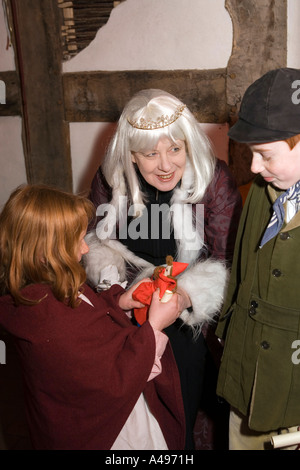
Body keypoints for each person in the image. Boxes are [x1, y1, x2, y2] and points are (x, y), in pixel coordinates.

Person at [84, 88, 243, 449]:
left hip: (186, 318)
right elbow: (93, 240)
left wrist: (186, 294)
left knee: (176, 416)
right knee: (126, 420)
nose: (166, 165)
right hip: (123, 309)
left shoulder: (214, 179)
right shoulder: (110, 178)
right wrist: (116, 290)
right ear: (130, 155)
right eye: (150, 154)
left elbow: (225, 261)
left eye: (175, 149)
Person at [0, 184, 185, 450]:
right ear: (45, 252)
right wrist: (155, 324)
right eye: (77, 241)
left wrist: (119, 301)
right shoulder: (49, 320)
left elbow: (85, 314)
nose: (85, 249)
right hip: (107, 433)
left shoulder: (44, 288)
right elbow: (112, 384)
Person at [216, 67, 300, 450]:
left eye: (265, 155)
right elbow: (241, 276)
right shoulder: (261, 191)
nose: (252, 168)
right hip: (247, 379)